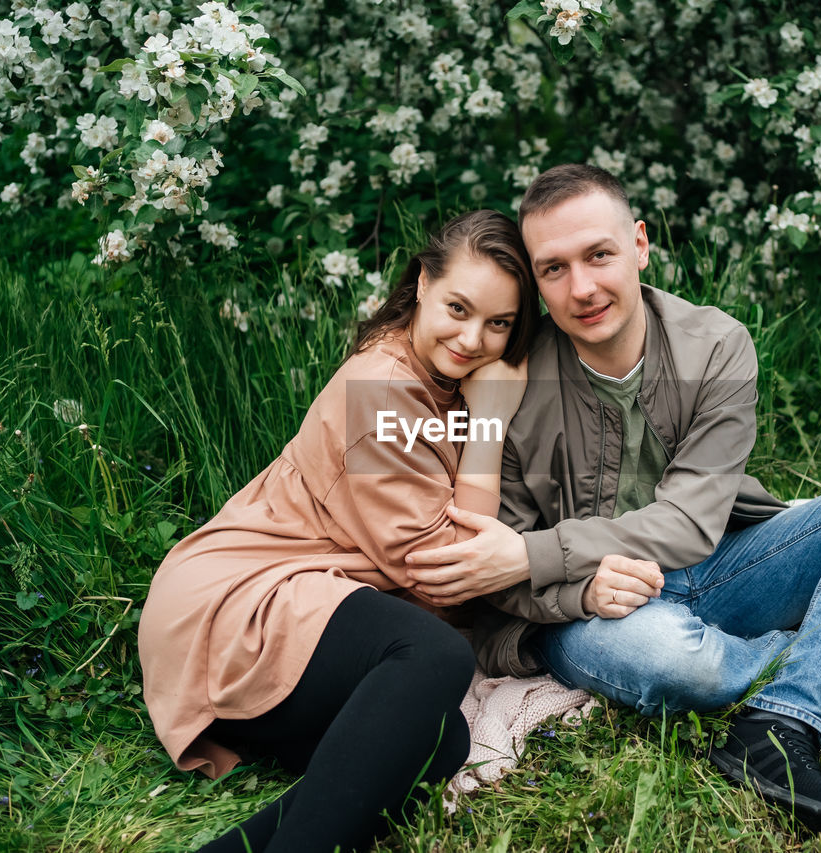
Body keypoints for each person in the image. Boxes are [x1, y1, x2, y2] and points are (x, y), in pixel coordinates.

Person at [403, 165, 821, 841]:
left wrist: (537, 551)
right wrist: (578, 590)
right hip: (590, 613)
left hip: (718, 566)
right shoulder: (509, 377)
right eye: (554, 269)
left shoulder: (715, 344)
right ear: (537, 283)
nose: (583, 287)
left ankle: (781, 724)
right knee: (679, 664)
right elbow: (492, 566)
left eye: (599, 254)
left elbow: (687, 523)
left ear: (639, 245)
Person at [137, 210, 539, 853]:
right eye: (458, 308)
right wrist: (490, 423)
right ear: (421, 286)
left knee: (438, 741)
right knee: (435, 655)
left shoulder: (440, 379)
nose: (472, 339)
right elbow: (451, 576)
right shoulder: (383, 388)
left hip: (307, 605)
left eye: (498, 324)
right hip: (240, 604)